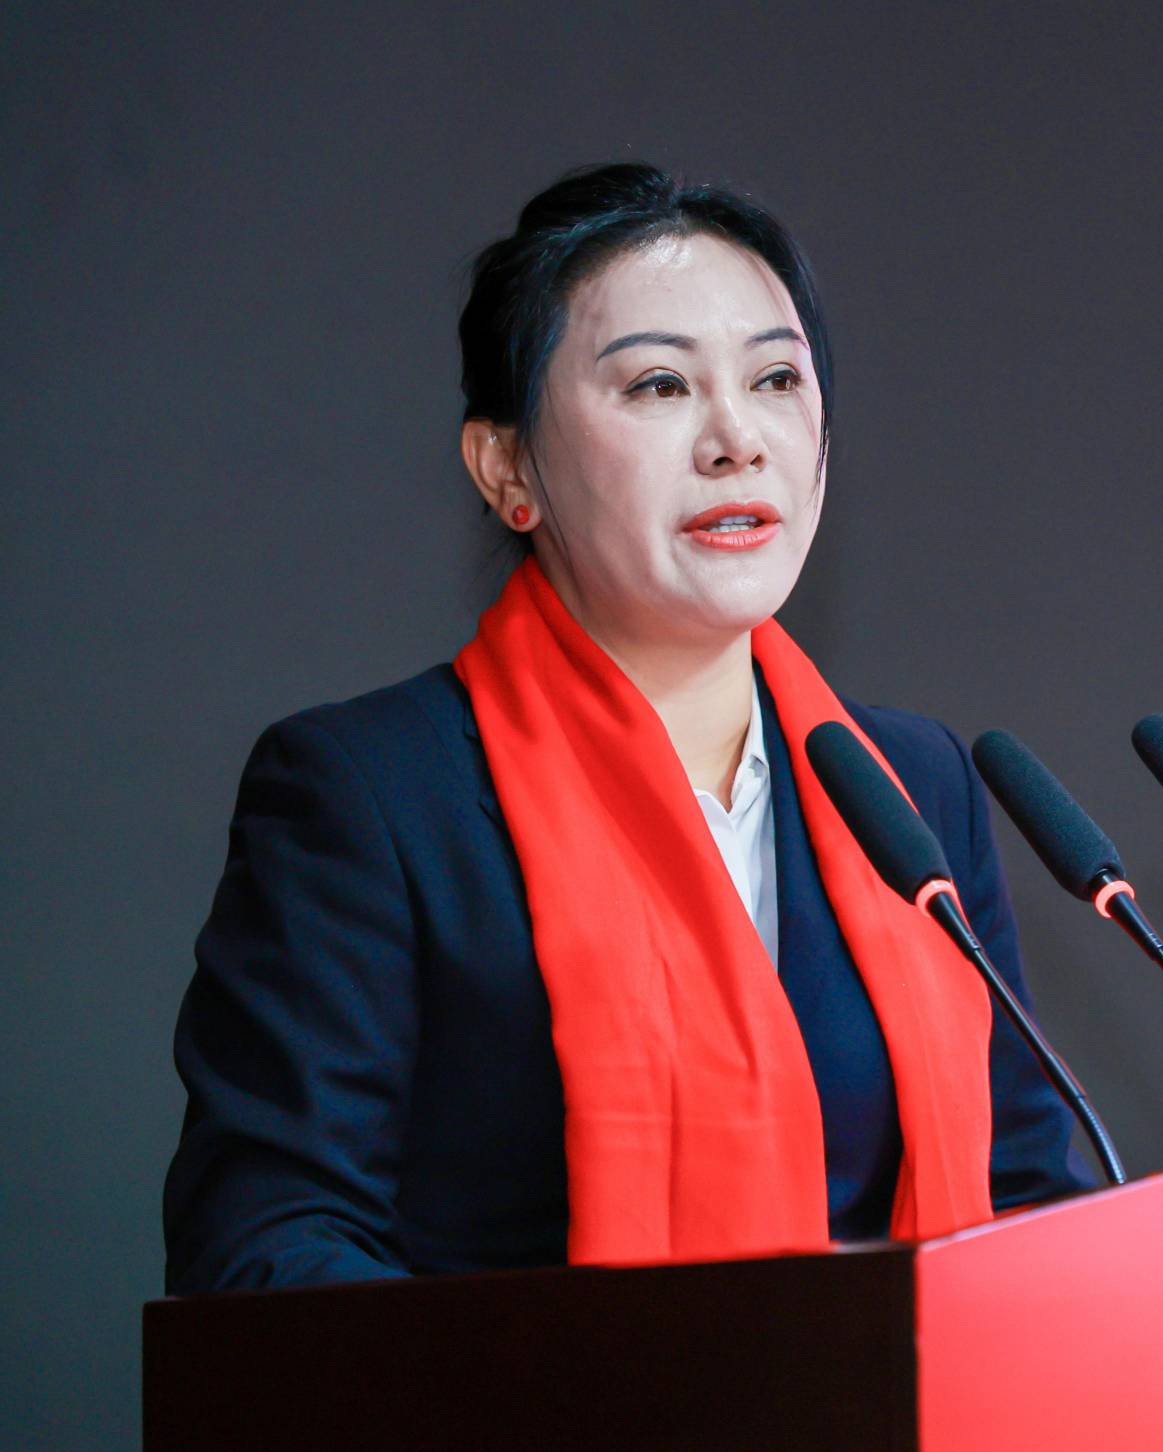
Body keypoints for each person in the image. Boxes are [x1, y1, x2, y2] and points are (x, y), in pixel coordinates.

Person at [163, 163, 1091, 1295]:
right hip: (543, 1416)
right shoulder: (372, 794)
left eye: (776, 379)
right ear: (507, 467)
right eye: (659, 385)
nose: (736, 439)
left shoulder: (907, 784)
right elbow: (265, 1245)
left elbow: (1025, 1192)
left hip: (902, 1415)